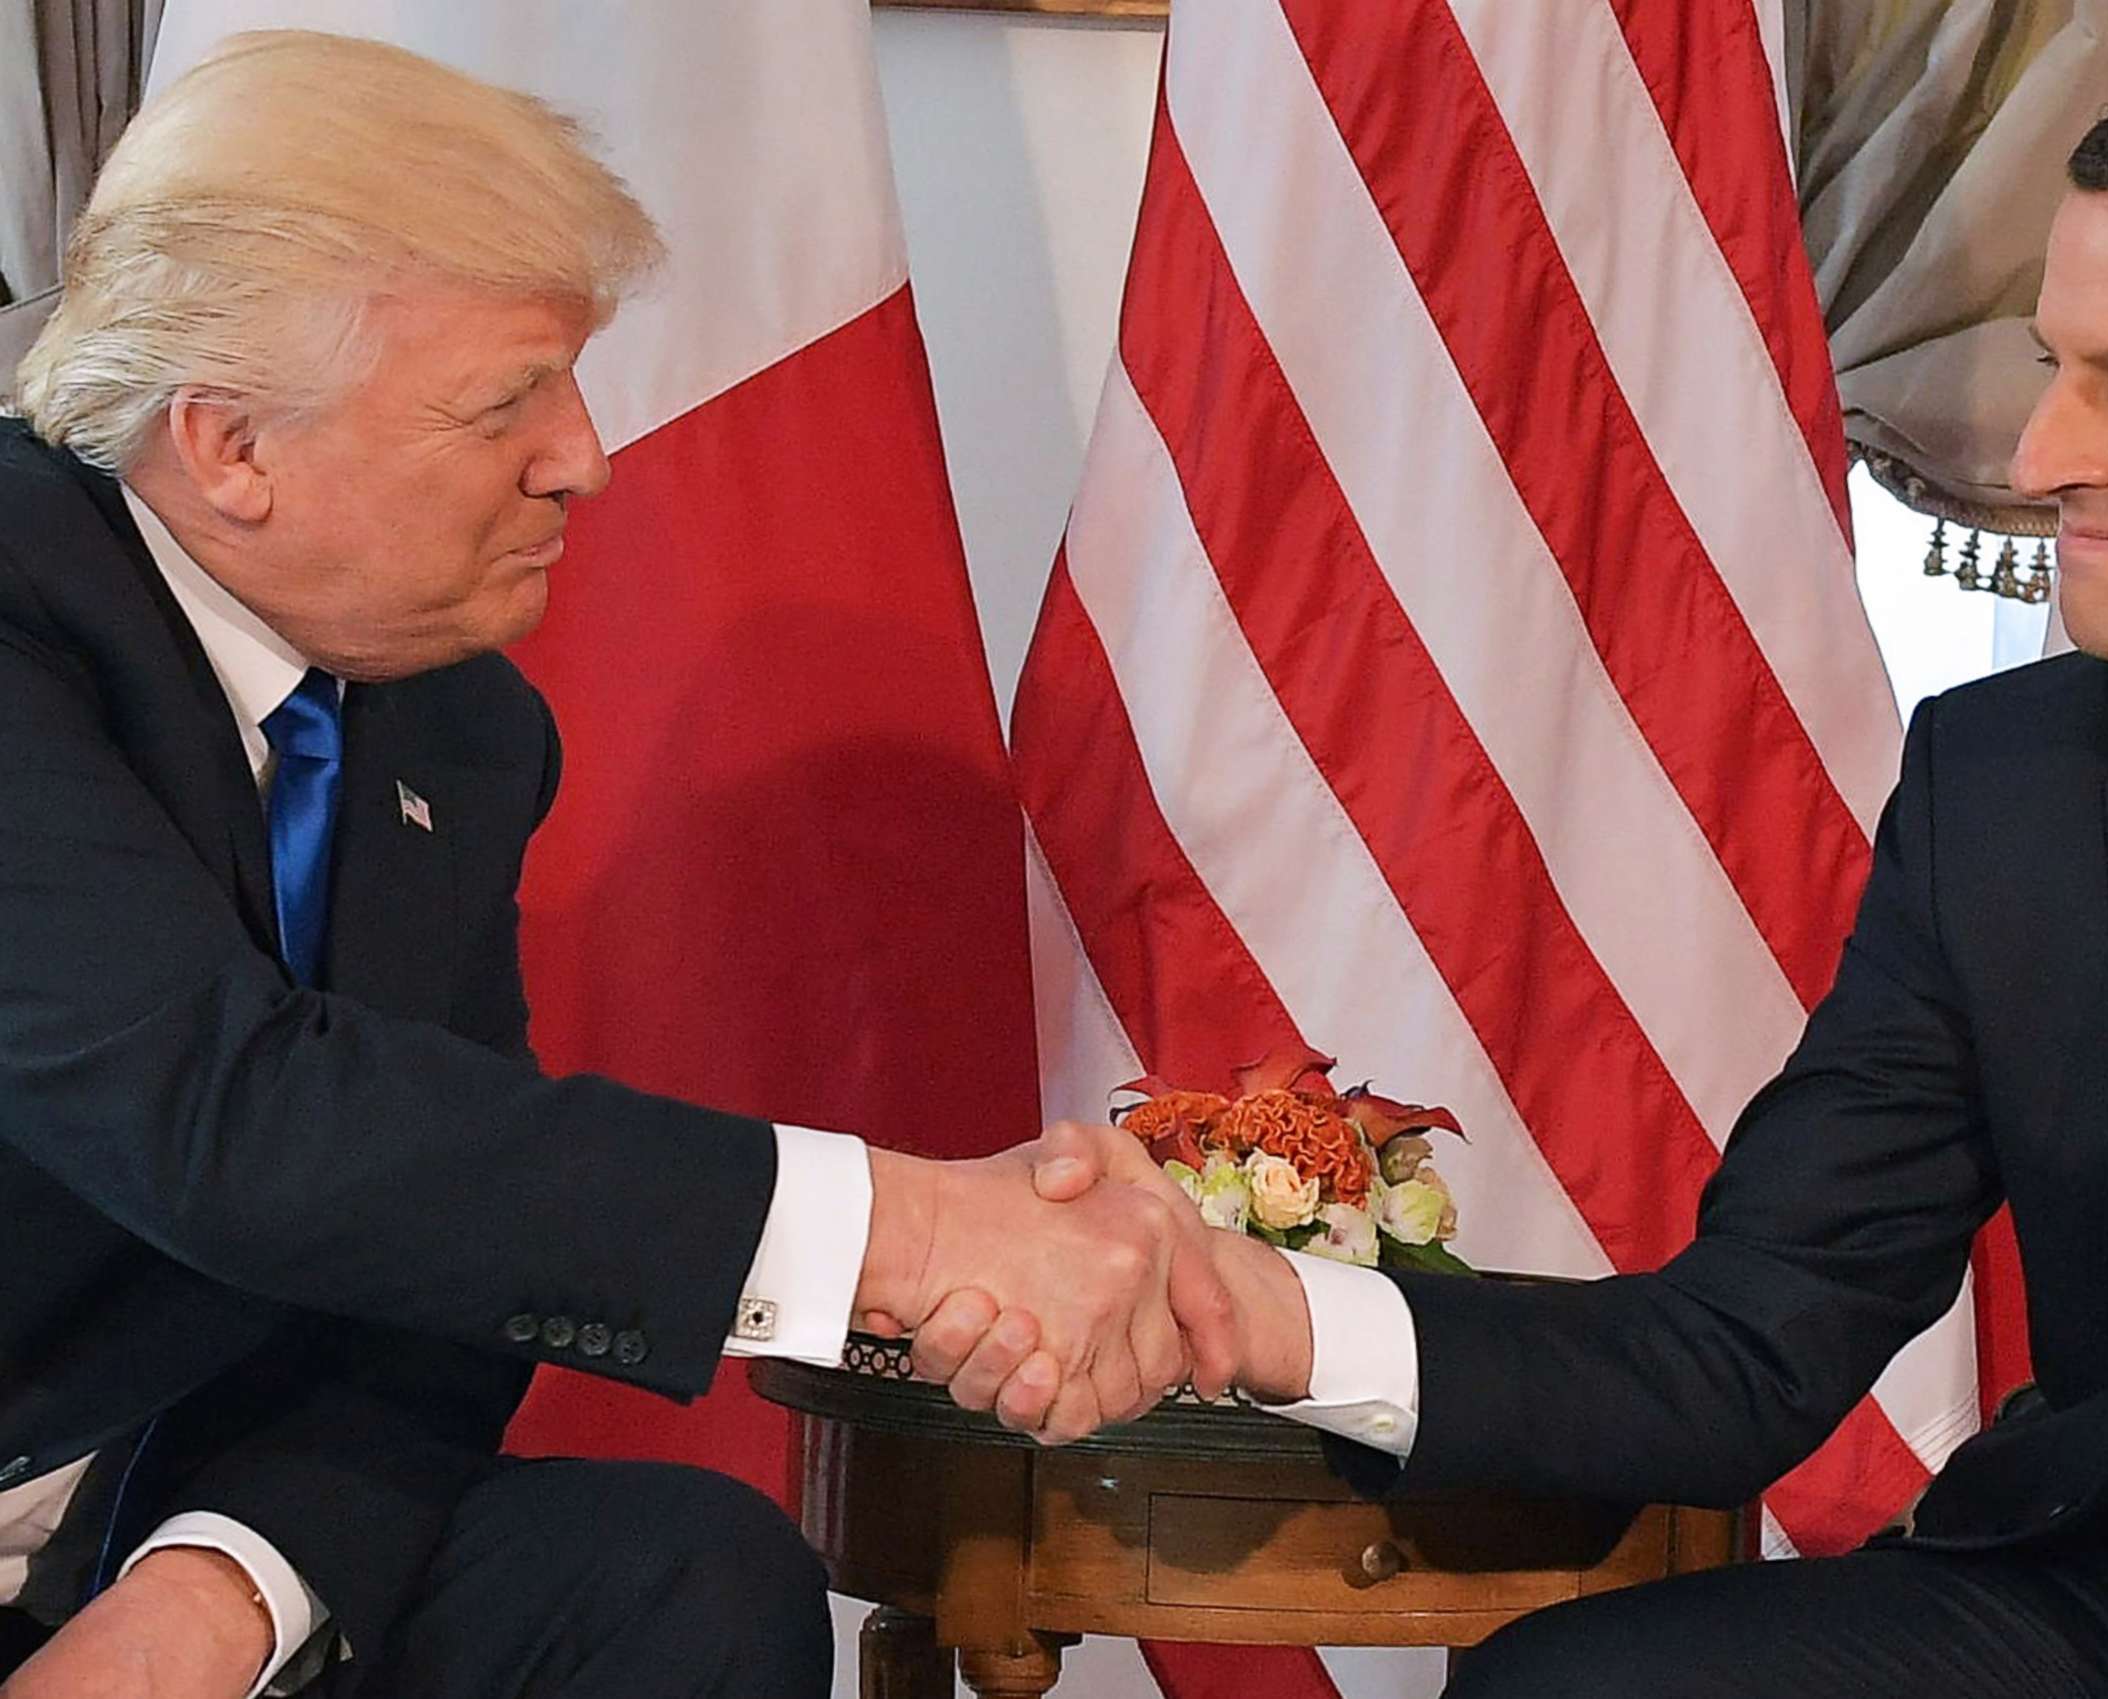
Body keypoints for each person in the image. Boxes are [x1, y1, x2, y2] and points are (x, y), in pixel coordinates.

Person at [961, 37, 2108, 1699]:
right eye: (2055, 367)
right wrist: (1258, 1309)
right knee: (1577, 1689)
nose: (2040, 455)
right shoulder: (2016, 784)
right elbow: (1749, 1339)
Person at [0, 31, 1225, 1699]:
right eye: (510, 397)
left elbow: (430, 1271)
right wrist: (912, 1234)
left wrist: (218, 1595)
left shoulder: (457, 731)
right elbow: (231, 1116)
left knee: (675, 1576)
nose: (584, 456)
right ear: (230, 448)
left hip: (111, 1534)